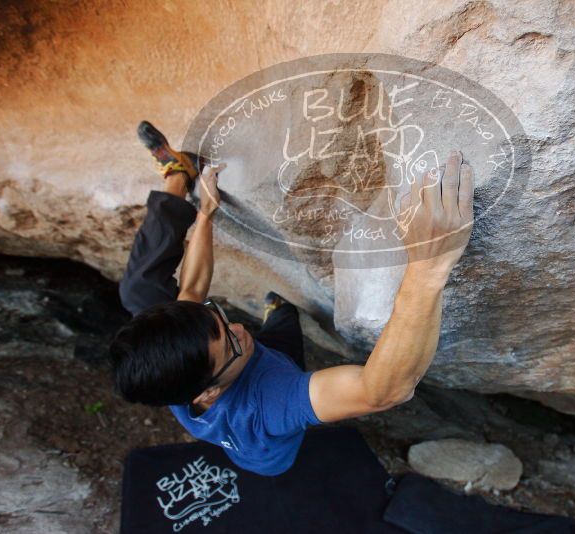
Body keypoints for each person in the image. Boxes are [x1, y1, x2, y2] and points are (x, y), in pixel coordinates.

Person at [109, 121, 474, 476]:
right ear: (209, 392)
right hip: (271, 459)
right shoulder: (267, 403)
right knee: (283, 321)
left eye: (219, 318)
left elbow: (190, 289)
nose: (239, 328)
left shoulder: (178, 371)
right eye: (230, 342)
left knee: (138, 292)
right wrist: (428, 268)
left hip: (242, 375)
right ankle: (279, 313)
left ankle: (178, 176)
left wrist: (205, 213)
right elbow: (381, 391)